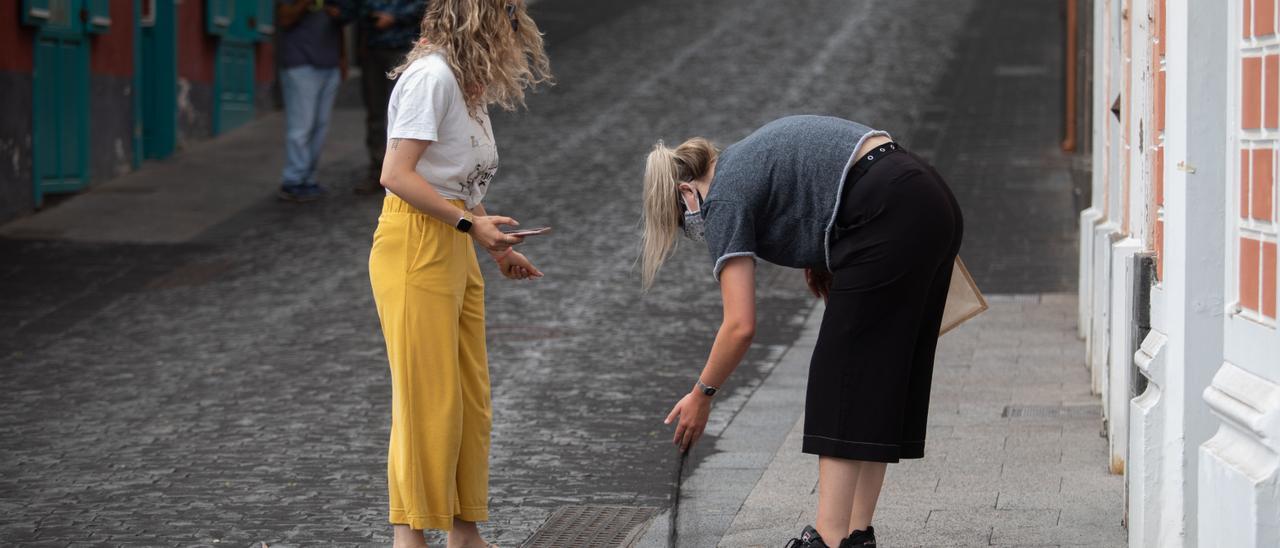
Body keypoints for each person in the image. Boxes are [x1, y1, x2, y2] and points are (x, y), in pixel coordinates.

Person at [641, 116, 964, 548]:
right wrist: (823, 255)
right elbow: (818, 176)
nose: (698, 232)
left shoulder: (723, 196)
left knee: (839, 380)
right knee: (875, 379)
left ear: (686, 192)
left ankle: (826, 540)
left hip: (885, 209)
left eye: (686, 224)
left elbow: (740, 326)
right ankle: (855, 535)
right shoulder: (742, 160)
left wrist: (702, 395)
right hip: (926, 196)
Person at [367, 1, 550, 547]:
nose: (520, 31)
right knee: (428, 399)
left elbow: (453, 183)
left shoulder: (463, 84)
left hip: (452, 244)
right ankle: (411, 539)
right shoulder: (433, 77)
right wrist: (473, 227)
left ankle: (464, 533)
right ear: (483, 20)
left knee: (469, 397)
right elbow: (395, 175)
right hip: (415, 244)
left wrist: (490, 244)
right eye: (512, 17)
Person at [275, 0, 354, 202]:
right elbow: (284, 18)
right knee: (302, 126)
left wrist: (342, 58)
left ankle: (308, 178)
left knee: (320, 126)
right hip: (301, 64)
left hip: (329, 64)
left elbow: (340, 27)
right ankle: (292, 180)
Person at [353, 0, 429, 194]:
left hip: (405, 49)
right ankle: (378, 169)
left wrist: (395, 17)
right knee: (375, 113)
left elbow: (424, 6)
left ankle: (407, 170)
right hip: (374, 50)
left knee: (408, 111)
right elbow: (357, 9)